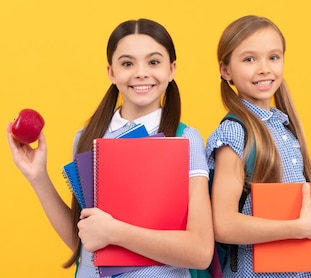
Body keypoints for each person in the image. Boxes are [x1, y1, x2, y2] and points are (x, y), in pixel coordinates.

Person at [6, 18, 214, 277]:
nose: (140, 72)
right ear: (111, 72)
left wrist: (115, 231)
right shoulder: (87, 137)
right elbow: (85, 243)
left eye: (153, 62)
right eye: (127, 63)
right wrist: (37, 176)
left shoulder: (185, 140)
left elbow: (201, 252)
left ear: (172, 69)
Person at [205, 15, 311, 277]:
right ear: (225, 70)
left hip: (302, 268)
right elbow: (224, 224)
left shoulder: (283, 126)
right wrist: (297, 229)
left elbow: (303, 213)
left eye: (273, 57)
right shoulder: (235, 133)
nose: (264, 68)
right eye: (249, 59)